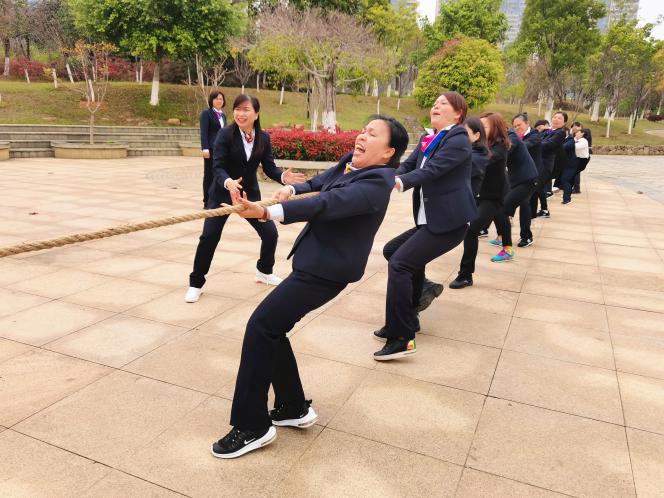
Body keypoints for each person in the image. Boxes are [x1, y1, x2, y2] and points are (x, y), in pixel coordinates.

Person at [209, 116, 409, 459]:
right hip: (314, 262)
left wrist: (267, 212)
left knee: (261, 327)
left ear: (389, 152)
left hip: (327, 271)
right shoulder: (351, 162)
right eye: (363, 130)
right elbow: (319, 183)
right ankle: (293, 407)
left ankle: (252, 426)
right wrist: (291, 189)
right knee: (272, 329)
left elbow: (326, 203)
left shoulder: (379, 182)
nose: (362, 136)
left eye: (373, 134)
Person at [373, 92, 476, 359]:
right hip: (429, 219)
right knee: (393, 251)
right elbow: (408, 165)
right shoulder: (429, 138)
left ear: (458, 113)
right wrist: (386, 177)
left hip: (449, 222)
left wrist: (399, 183)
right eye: (434, 103)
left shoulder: (458, 138)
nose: (435, 106)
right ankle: (416, 302)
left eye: (443, 104)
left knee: (400, 264)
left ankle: (402, 337)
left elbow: (433, 170)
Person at [185, 94, 305, 303]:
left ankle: (264, 271)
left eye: (246, 109)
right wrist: (228, 182)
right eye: (237, 109)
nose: (241, 114)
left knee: (270, 234)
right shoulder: (225, 134)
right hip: (222, 194)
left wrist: (282, 177)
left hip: (249, 196)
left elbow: (269, 167)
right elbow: (217, 166)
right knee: (209, 237)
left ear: (256, 114)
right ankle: (196, 283)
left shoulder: (263, 138)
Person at [419, 117, 489, 302]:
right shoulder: (456, 149)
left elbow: (442, 171)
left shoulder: (478, 155)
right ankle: (423, 286)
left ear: (476, 136)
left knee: (472, 232)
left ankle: (465, 274)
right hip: (440, 209)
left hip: (462, 210)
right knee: (407, 255)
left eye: (464, 134)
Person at [449, 116, 500, 289]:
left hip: (493, 195)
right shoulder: (470, 148)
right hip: (478, 195)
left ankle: (465, 275)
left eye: (486, 125)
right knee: (486, 226)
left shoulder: (494, 148)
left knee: (471, 230)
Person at [513, 113, 543, 247]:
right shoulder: (515, 136)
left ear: (527, 123)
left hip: (531, 177)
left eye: (519, 125)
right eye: (514, 126)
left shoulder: (535, 135)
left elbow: (525, 145)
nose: (517, 128)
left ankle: (527, 236)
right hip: (517, 176)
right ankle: (501, 234)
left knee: (524, 203)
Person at [200, 90, 227, 208]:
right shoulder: (206, 113)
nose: (219, 101)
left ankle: (217, 199)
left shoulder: (223, 115)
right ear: (211, 100)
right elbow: (204, 132)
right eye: (216, 98)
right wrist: (205, 148)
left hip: (221, 150)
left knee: (219, 174)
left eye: (221, 99)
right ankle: (207, 200)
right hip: (210, 149)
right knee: (209, 175)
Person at [538, 112, 567, 217]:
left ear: (564, 122)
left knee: (536, 187)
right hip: (540, 163)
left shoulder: (560, 133)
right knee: (539, 187)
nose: (556, 119)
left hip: (548, 165)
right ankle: (544, 210)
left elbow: (549, 144)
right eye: (554, 117)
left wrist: (535, 144)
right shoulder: (548, 131)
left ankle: (538, 211)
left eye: (559, 118)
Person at [561, 127, 589, 204]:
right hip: (575, 160)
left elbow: (574, 147)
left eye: (578, 132)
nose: (576, 133)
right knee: (568, 178)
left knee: (566, 178)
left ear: (582, 133)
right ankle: (568, 196)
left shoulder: (583, 141)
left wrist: (571, 141)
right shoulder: (576, 140)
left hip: (581, 161)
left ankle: (567, 198)